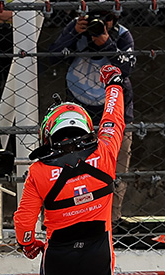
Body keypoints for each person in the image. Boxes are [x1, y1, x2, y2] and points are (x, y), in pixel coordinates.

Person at [13, 65, 127, 275]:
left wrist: (29, 245)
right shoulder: (105, 151)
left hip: (58, 256)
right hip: (97, 253)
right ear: (85, 128)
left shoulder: (38, 171)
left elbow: (24, 222)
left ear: (49, 132)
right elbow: (113, 119)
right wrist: (113, 84)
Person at [48, 11, 136, 221]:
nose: (99, 23)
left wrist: (107, 43)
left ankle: (112, 220)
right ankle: (78, 217)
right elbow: (51, 58)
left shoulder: (121, 34)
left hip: (115, 111)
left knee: (116, 171)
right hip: (78, 113)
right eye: (94, 18)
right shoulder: (76, 28)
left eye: (106, 19)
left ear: (114, 19)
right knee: (75, 169)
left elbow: (127, 67)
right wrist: (73, 33)